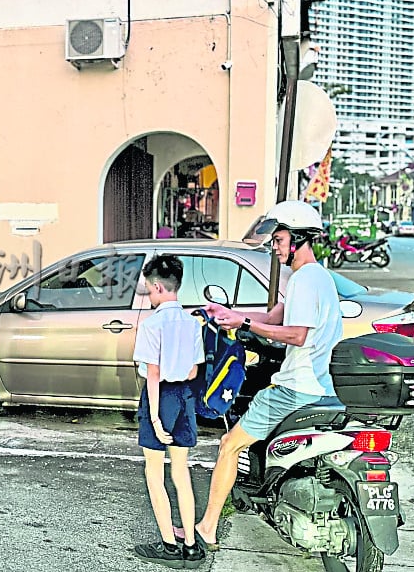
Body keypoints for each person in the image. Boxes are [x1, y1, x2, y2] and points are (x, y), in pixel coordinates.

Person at [178, 200, 343, 550]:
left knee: (229, 444)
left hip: (296, 387)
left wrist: (246, 324)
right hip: (322, 387)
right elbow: (275, 317)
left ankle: (207, 527)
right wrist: (231, 314)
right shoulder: (317, 278)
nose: (275, 246)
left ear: (297, 239)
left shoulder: (305, 279)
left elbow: (297, 334)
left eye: (280, 239)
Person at [132, 254, 206, 569]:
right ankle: (190, 543)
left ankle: (168, 544)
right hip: (185, 397)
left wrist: (153, 417)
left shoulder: (153, 325)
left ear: (159, 287)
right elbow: (192, 372)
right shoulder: (192, 323)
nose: (148, 296)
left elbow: (152, 372)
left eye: (149, 289)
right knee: (181, 471)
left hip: (160, 395)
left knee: (154, 471)